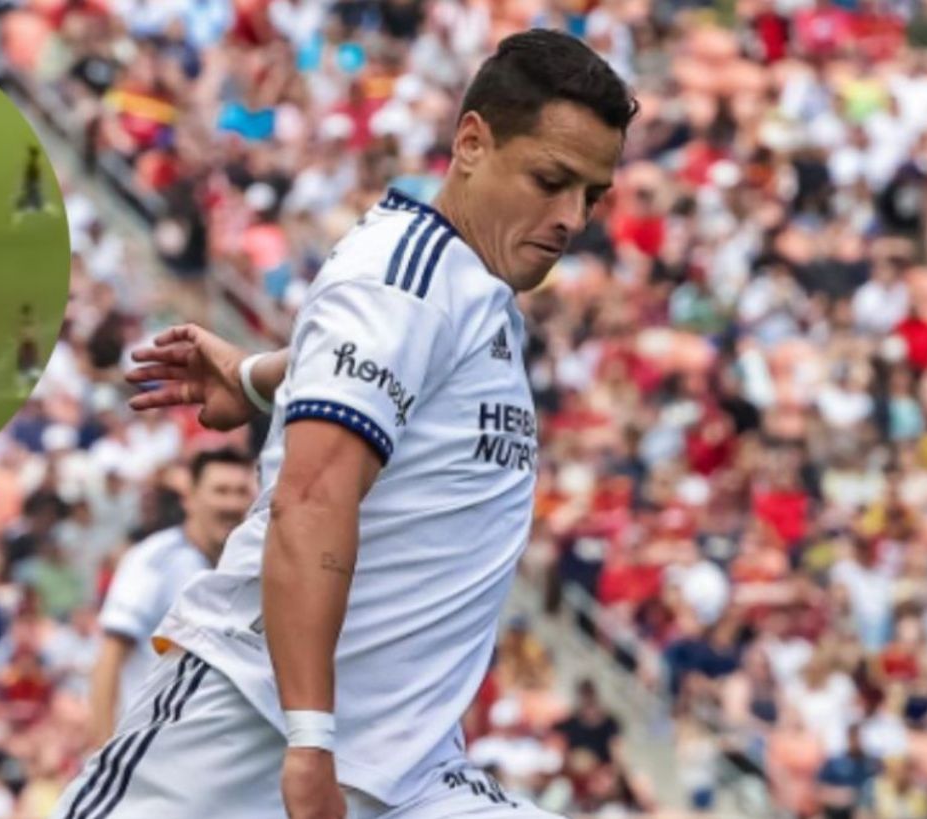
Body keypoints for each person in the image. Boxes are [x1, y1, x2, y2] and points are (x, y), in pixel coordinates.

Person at [68, 28, 634, 819]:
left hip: (405, 765)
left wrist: (255, 376)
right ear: (472, 143)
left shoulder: (468, 291)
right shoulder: (403, 277)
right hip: (252, 731)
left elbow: (388, 376)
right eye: (551, 180)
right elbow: (311, 497)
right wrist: (309, 740)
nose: (572, 217)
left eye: (591, 196)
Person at [86, 448, 255, 748]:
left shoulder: (251, 568)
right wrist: (101, 748)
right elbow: (110, 656)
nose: (231, 504)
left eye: (241, 492)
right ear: (190, 498)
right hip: (147, 746)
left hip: (212, 748)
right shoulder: (155, 560)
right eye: (220, 491)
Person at [11, 145, 53, 226]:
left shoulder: (34, 164)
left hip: (32, 186)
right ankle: (53, 212)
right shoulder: (35, 163)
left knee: (27, 205)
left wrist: (25, 184)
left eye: (30, 152)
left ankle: (15, 220)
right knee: (38, 203)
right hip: (33, 186)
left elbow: (34, 176)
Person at [15, 304, 43, 396]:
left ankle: (24, 389)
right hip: (27, 345)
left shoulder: (26, 322)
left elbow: (24, 335)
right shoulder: (29, 322)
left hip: (28, 345)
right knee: (26, 369)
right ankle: (24, 389)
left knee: (25, 369)